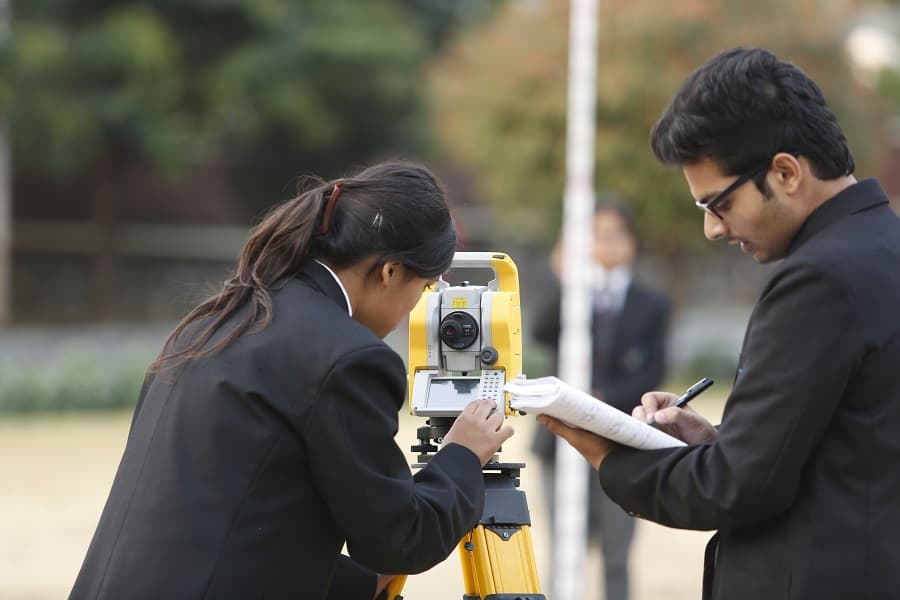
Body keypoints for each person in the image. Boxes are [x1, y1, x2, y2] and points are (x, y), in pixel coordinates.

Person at [538, 47, 900, 600]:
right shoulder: (882, 247)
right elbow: (854, 445)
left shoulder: (819, 278)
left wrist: (607, 453)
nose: (713, 229)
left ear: (785, 172)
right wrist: (721, 442)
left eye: (719, 204)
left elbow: (736, 488)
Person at [69, 161, 514, 600]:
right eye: (423, 289)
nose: (411, 312)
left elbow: (229, 520)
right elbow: (400, 538)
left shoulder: (215, 321)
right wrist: (463, 455)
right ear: (390, 272)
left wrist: (358, 585)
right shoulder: (347, 357)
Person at [530, 200, 670, 600]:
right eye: (595, 235)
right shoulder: (570, 291)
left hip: (622, 442)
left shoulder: (650, 302)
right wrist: (563, 276)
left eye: (614, 235)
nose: (604, 244)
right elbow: (540, 331)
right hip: (560, 444)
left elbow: (653, 371)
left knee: (616, 554)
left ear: (632, 242)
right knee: (564, 553)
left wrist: (600, 403)